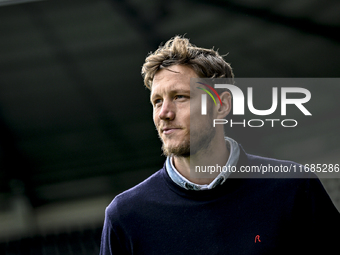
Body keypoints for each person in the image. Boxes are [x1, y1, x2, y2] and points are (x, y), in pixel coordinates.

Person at [100, 36, 339, 254]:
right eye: (157, 101)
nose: (164, 113)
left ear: (222, 105)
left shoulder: (293, 187)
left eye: (180, 97)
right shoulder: (126, 216)